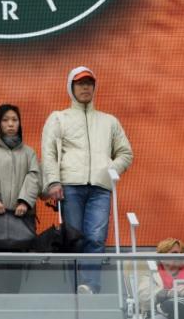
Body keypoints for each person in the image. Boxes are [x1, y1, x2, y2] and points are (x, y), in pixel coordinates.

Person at [41, 66, 133, 294]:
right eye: (80, 83)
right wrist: (53, 182)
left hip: (100, 189)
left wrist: (108, 170)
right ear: (71, 87)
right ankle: (75, 288)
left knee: (96, 238)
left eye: (89, 83)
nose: (85, 87)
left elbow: (126, 153)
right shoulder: (59, 118)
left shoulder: (109, 121)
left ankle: (89, 287)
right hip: (70, 186)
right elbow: (49, 152)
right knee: (75, 239)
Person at [0, 103, 41, 293]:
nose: (11, 124)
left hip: (20, 221)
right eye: (5, 120)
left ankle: (12, 305)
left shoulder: (29, 152)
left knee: (17, 273)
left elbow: (34, 176)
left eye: (14, 120)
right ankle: (1, 304)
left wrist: (24, 201)